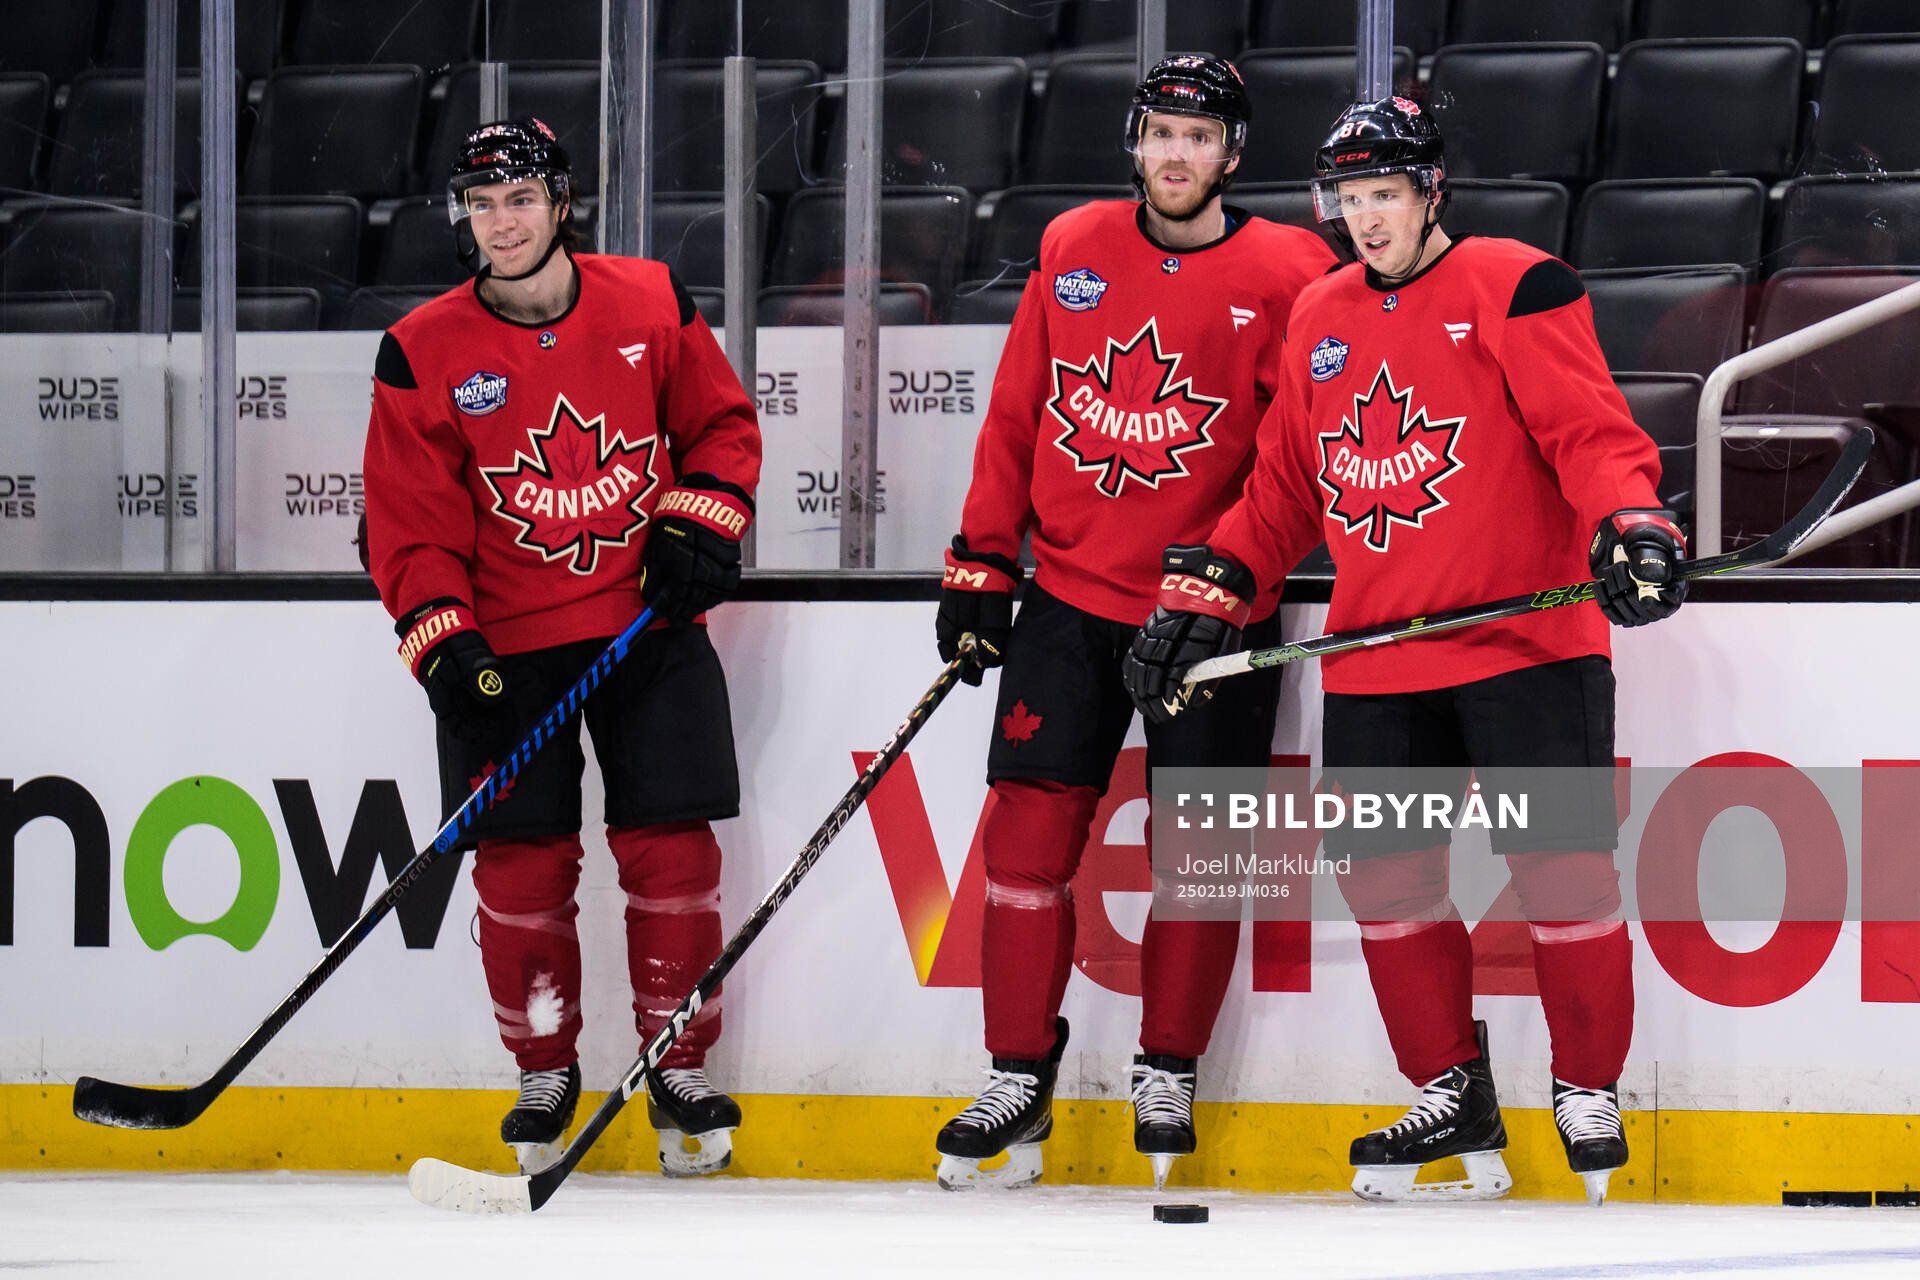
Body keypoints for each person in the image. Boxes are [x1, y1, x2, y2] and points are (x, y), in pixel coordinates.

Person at [1123, 97, 1684, 1207]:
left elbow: (1593, 437)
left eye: (1385, 195)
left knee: (1563, 877)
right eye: (1349, 199)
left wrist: (1637, 523)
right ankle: (1449, 1087)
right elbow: (1283, 488)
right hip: (1379, 654)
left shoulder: (1518, 283)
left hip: (1526, 643)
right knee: (1386, 881)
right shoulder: (1320, 312)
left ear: (1433, 192)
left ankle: (1587, 1087)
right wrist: (1213, 587)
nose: (1365, 220)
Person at [931, 55, 1337, 1191]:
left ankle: (1169, 1067)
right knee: (1023, 844)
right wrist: (979, 557)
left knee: (1198, 862)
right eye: (1160, 131)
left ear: (1234, 155)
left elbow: (1297, 458)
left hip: (1213, 613)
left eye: (1199, 138)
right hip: (1064, 596)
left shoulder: (1292, 269)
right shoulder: (1072, 249)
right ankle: (1017, 1074)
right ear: (1134, 139)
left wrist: (1225, 579)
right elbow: (1018, 411)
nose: (1176, 154)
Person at [362, 118, 762, 1178]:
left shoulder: (648, 299)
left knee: (672, 853)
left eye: (521, 200)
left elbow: (722, 427)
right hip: (507, 641)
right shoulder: (422, 349)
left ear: (561, 203)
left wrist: (698, 519)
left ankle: (678, 1061)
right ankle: (545, 1066)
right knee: (522, 865)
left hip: (645, 624)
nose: (501, 223)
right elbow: (410, 523)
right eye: (482, 204)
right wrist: (443, 642)